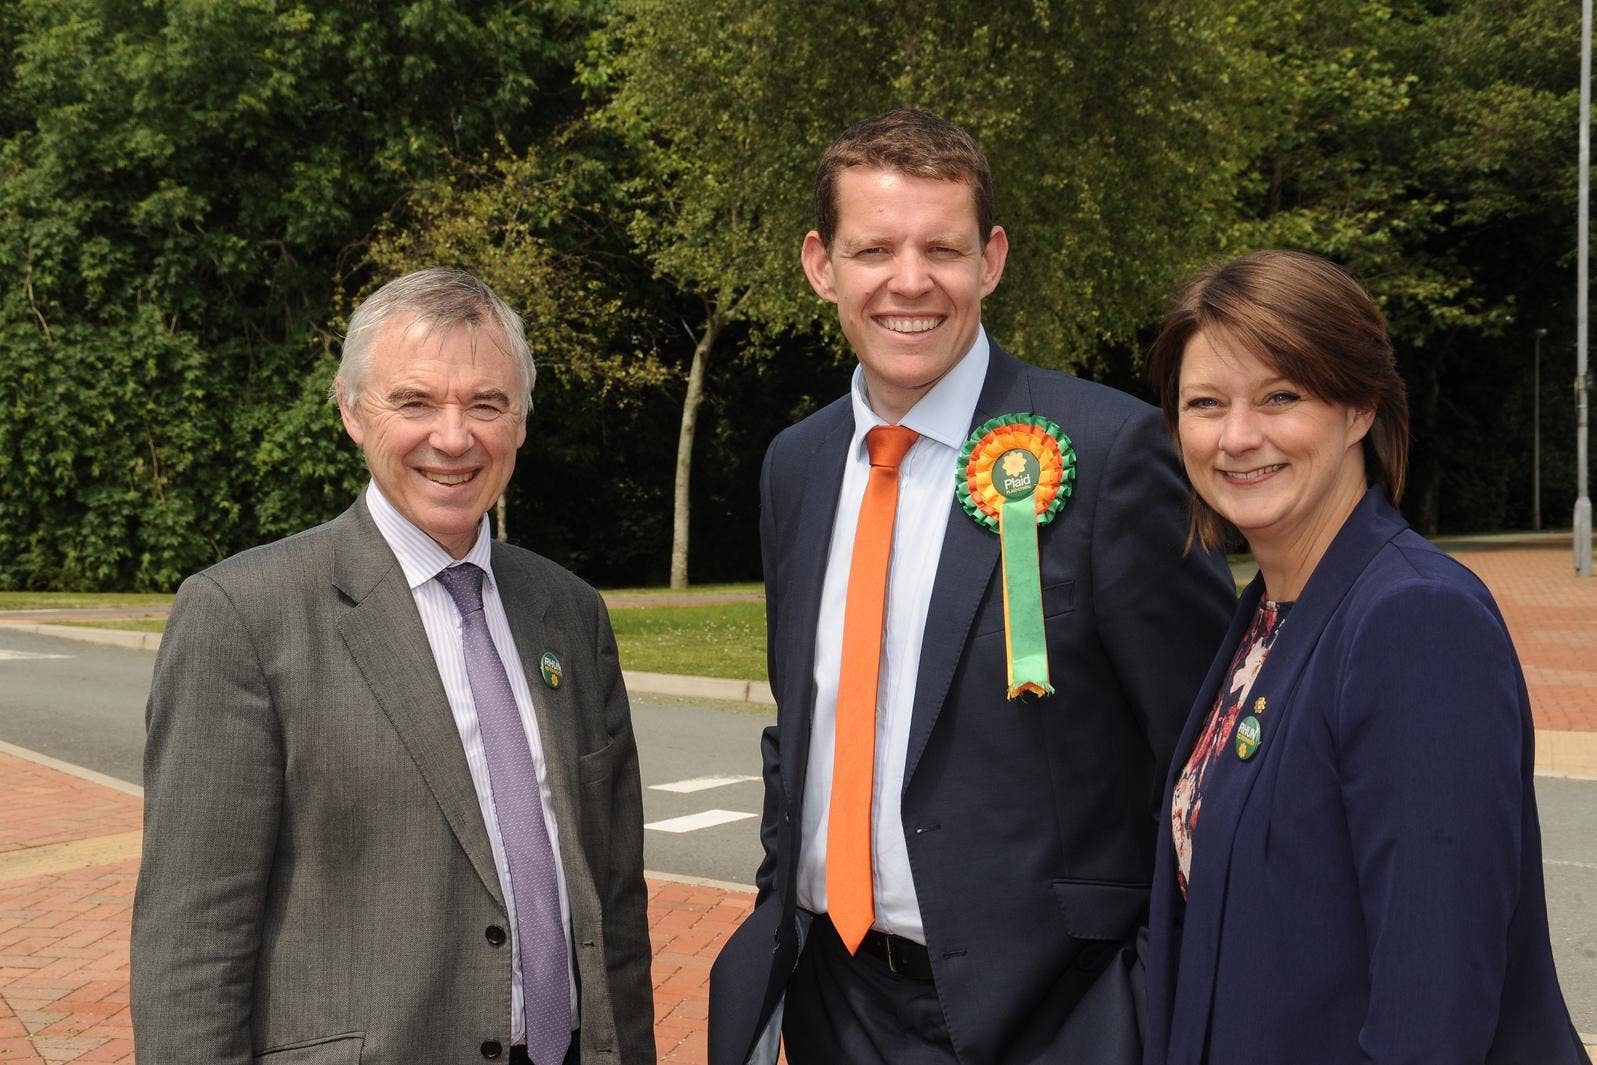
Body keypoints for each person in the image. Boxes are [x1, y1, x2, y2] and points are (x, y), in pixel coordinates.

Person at [707, 109, 1236, 1065]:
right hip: (837, 1000)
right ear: (821, 265)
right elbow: (805, 722)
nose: (910, 282)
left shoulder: (1111, 453)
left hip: (1055, 1016)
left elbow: (1210, 764)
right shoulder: (796, 463)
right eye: (873, 249)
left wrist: (1143, 1006)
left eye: (941, 249)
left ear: (989, 259)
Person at [131, 268, 655, 1064]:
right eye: (414, 402)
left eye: (486, 403)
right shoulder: (241, 616)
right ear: (350, 410)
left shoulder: (569, 612)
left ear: (520, 421)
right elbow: (192, 942)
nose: (453, 436)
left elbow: (614, 902)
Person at [1141, 249, 1590, 1064]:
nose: (1238, 436)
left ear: (1359, 409)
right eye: (1205, 403)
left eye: (1281, 396)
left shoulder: (1413, 618)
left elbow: (1434, 1003)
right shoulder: (1268, 615)